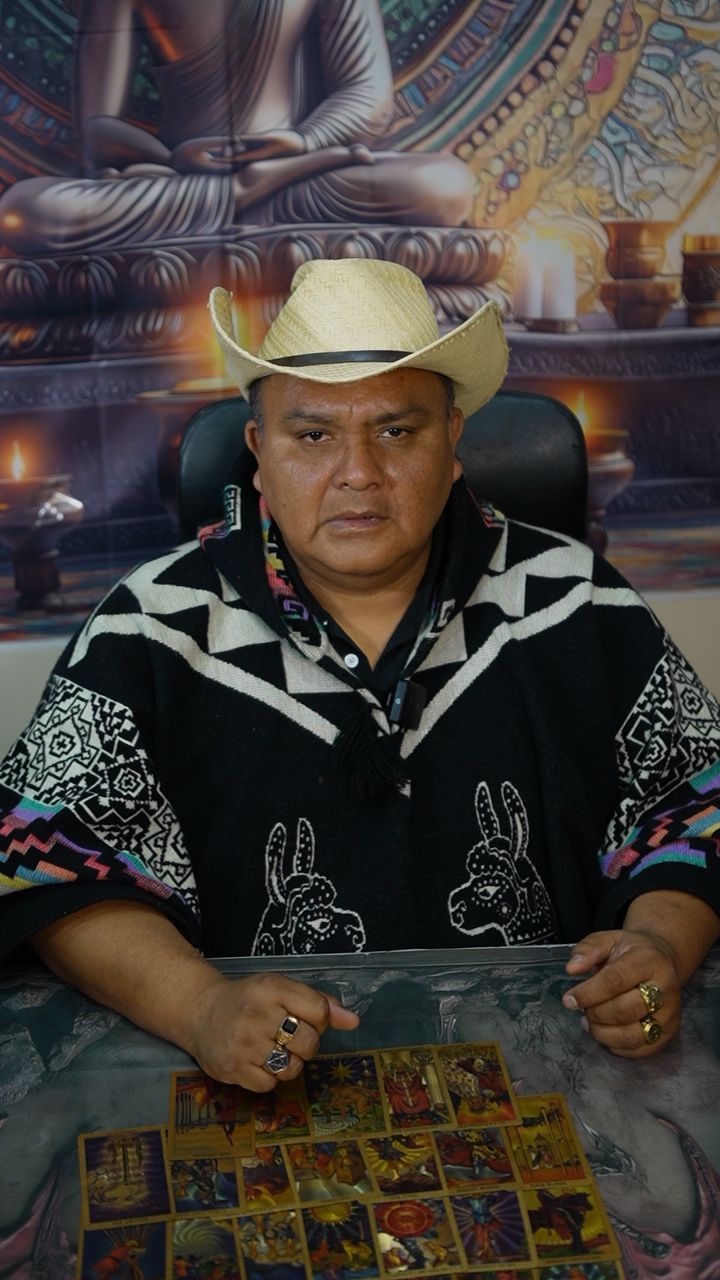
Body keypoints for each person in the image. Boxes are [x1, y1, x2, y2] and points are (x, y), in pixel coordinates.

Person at [1, 259, 719, 1086]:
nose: (358, 473)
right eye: (313, 436)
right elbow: (43, 859)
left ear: (452, 440)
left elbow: (696, 808)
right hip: (254, 1094)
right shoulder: (153, 625)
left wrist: (659, 946)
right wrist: (196, 1005)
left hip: (552, 1079)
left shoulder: (577, 601)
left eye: (397, 431)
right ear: (258, 451)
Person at [0, 0, 473, 255]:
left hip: (293, 173)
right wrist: (171, 158)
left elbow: (368, 96)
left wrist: (302, 141)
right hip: (185, 174)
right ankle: (245, 192)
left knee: (442, 185)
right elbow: (96, 128)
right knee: (27, 212)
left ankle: (247, 192)